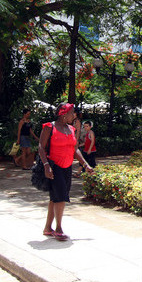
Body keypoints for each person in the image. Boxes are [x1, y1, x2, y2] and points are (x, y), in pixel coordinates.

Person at [38, 103, 93, 242]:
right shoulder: (49, 127)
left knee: (55, 197)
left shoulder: (71, 129)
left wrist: (85, 165)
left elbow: (75, 150)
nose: (73, 115)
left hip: (67, 166)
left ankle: (48, 228)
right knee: (61, 196)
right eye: (72, 113)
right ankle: (58, 229)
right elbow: (41, 147)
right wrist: (46, 166)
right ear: (63, 114)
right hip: (54, 166)